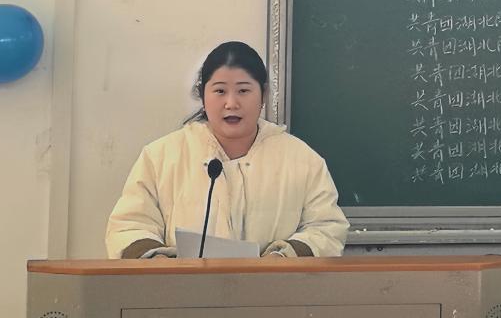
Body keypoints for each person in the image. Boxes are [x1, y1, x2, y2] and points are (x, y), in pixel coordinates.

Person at [105, 41, 349, 258]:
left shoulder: (302, 160)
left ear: (263, 94)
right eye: (220, 91)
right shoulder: (161, 157)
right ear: (203, 95)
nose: (231, 103)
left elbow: (326, 227)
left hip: (273, 290)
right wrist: (157, 262)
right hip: (182, 292)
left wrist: (283, 259)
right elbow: (130, 226)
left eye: (243, 91)